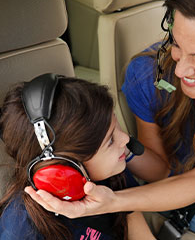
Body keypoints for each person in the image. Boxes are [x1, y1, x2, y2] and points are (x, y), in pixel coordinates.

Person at [25, 0, 195, 239]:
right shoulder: (146, 74)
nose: (181, 70)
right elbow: (161, 172)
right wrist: (117, 186)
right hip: (178, 183)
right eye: (176, 44)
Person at [0, 74, 157, 240]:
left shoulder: (113, 175)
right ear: (64, 168)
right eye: (110, 140)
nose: (125, 139)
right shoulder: (22, 229)